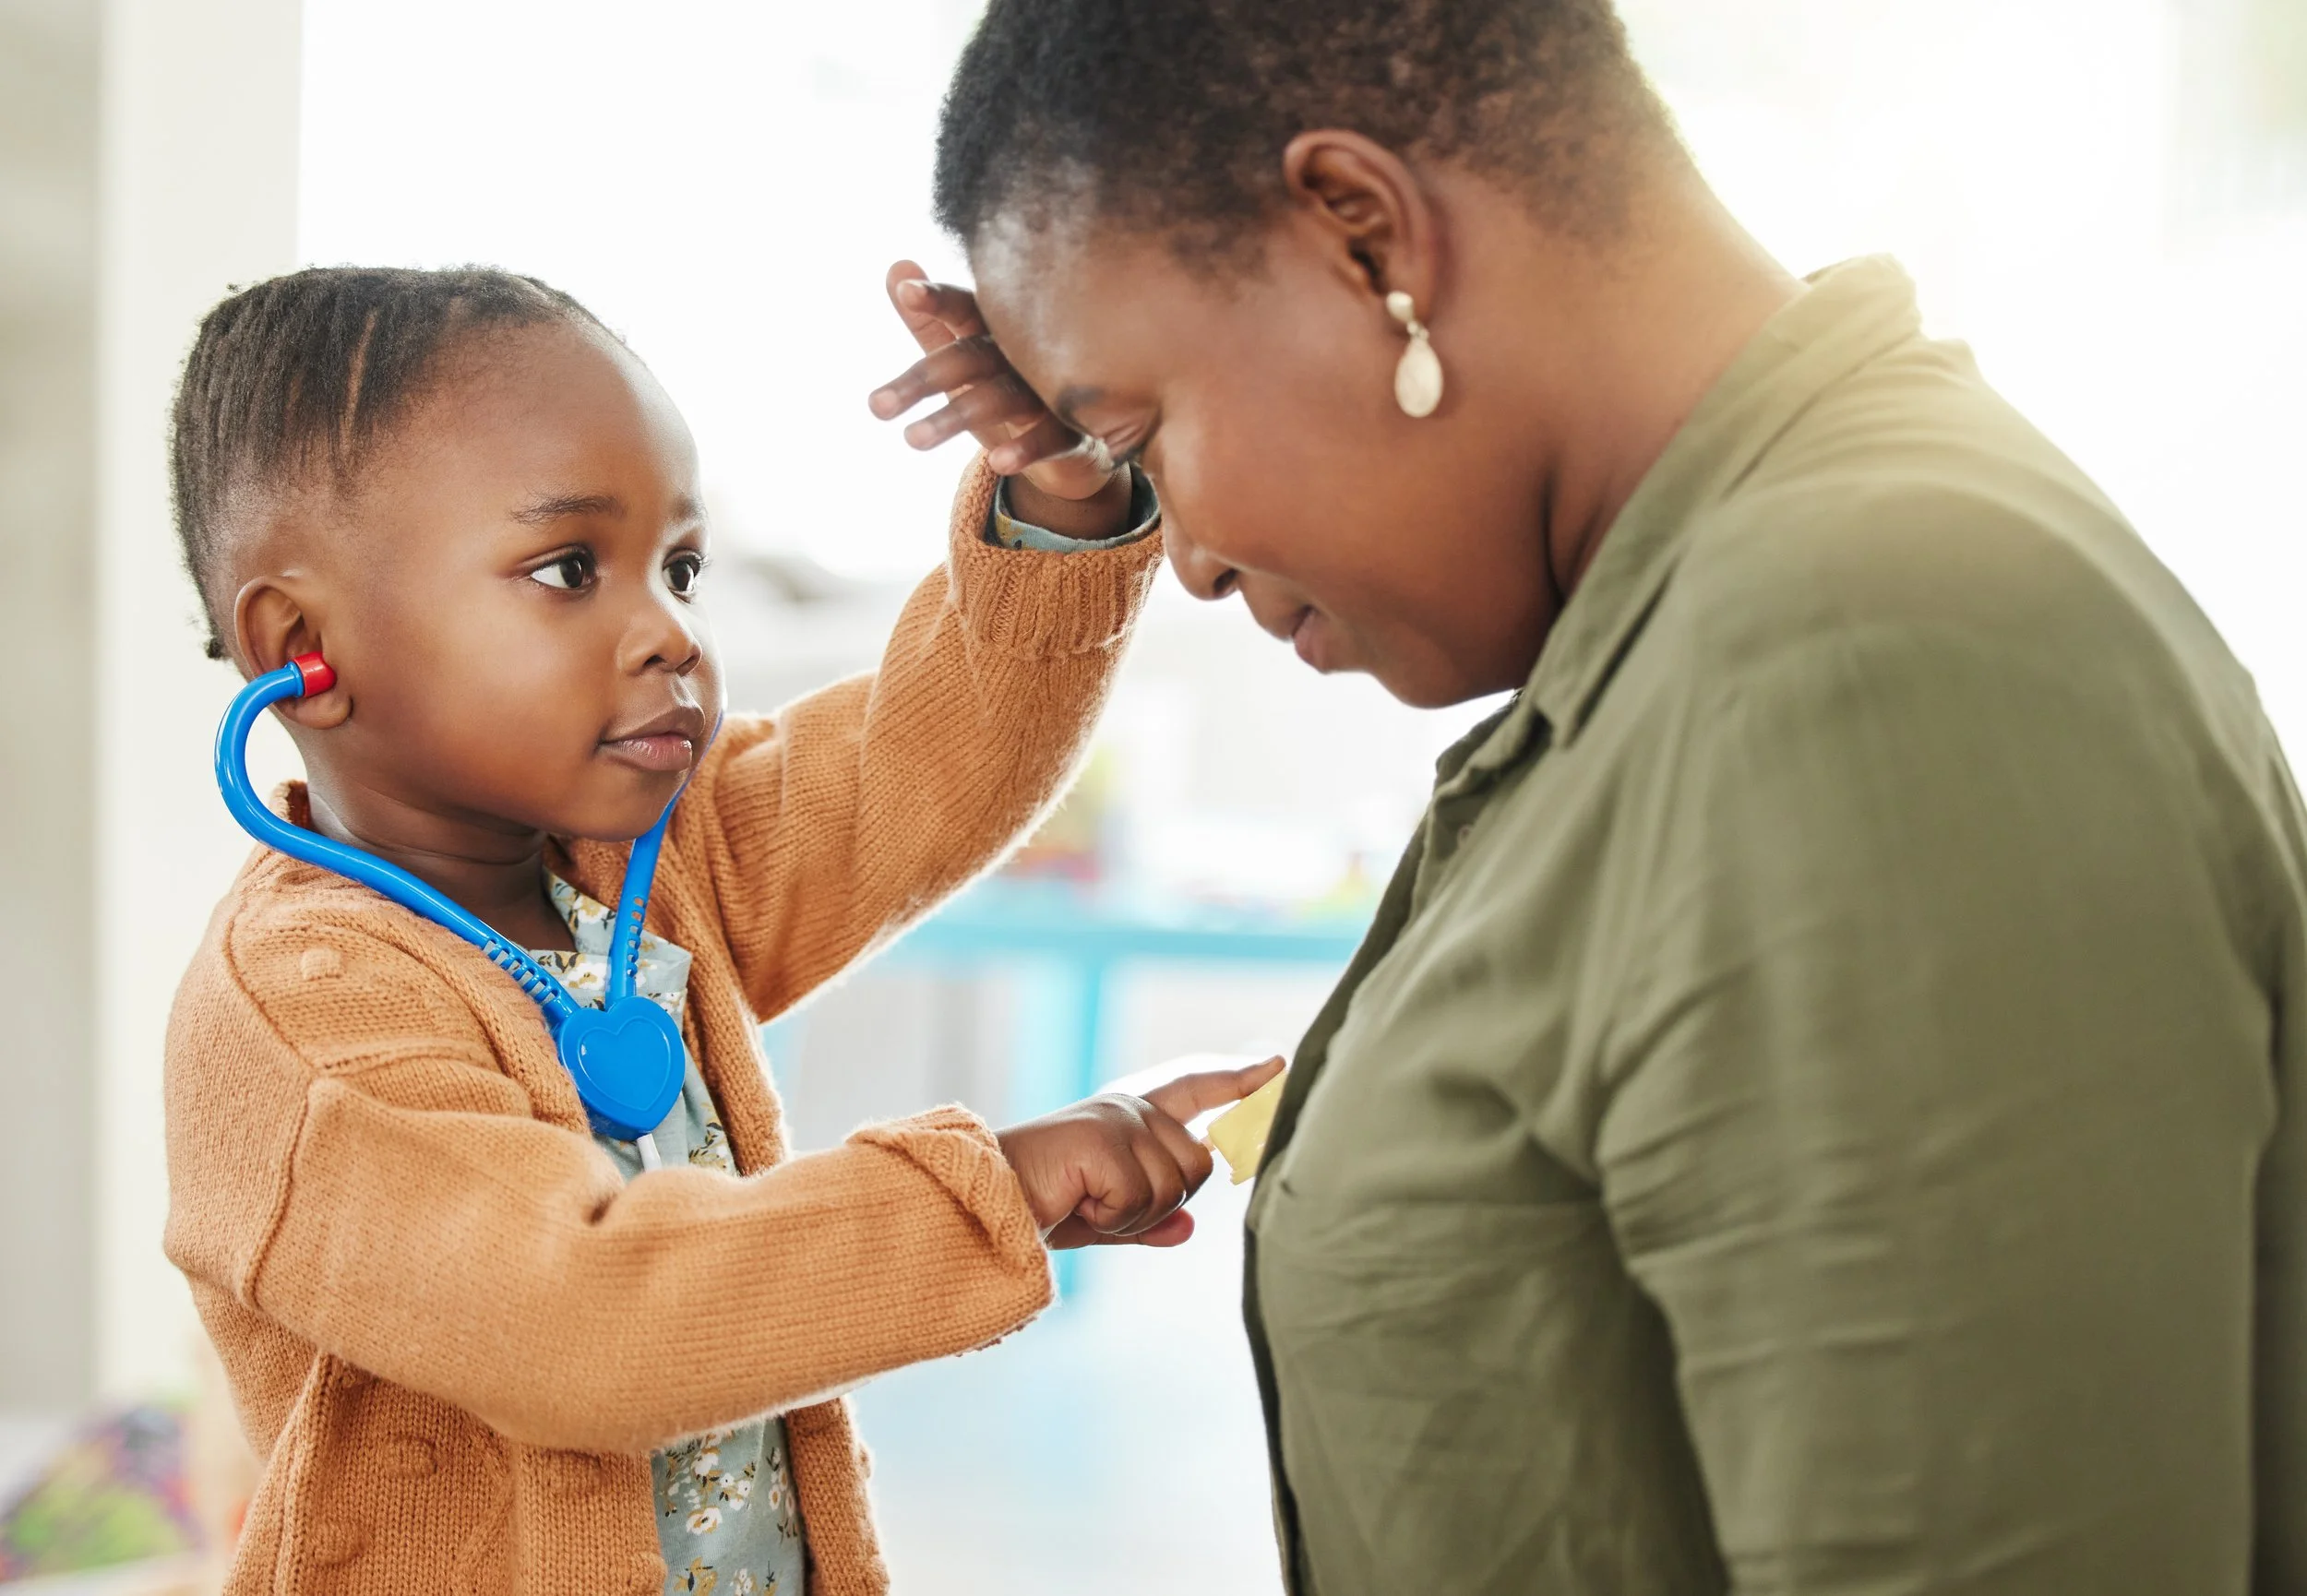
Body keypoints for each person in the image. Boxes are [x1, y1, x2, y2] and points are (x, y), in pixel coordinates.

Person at [872, 0, 2307, 1590]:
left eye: (1140, 432)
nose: (1189, 555)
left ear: (1367, 238)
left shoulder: (1863, 656)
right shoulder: (1702, 629)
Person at [161, 262, 1280, 1596]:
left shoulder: (649, 862)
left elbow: (923, 767)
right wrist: (995, 1189)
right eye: (570, 567)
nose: (671, 632)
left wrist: (1062, 500)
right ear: (304, 643)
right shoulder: (305, 1017)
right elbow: (584, 1323)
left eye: (678, 566)